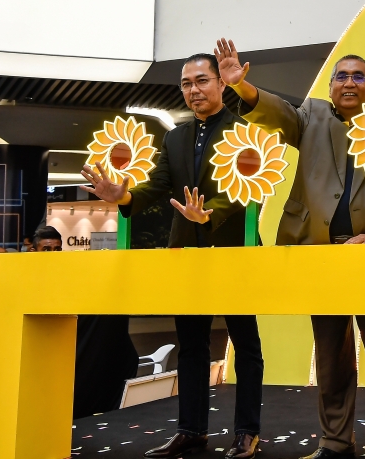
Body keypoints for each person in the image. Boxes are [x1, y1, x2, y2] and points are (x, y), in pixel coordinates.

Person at [215, 38, 365, 459]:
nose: (349, 83)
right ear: (331, 86)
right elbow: (278, 114)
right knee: (331, 355)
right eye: (342, 76)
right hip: (318, 254)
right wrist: (242, 87)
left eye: (358, 76)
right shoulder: (311, 115)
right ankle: (334, 442)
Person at [80, 53, 264, 459]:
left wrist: (209, 213)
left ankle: (246, 432)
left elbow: (247, 189)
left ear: (220, 84)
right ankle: (191, 429)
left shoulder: (245, 130)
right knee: (192, 343)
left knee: (245, 343)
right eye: (186, 84)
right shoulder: (176, 137)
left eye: (201, 81)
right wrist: (124, 196)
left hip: (234, 251)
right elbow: (159, 185)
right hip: (186, 253)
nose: (193, 90)